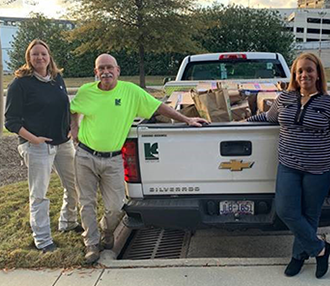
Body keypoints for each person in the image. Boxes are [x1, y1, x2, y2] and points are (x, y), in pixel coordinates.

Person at [70, 54, 208, 263]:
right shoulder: (85, 92)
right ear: (96, 72)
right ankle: (91, 243)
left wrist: (186, 119)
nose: (106, 72)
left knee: (116, 207)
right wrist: (74, 129)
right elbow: (73, 110)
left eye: (110, 67)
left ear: (118, 70)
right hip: (85, 156)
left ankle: (106, 230)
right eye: (101, 68)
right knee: (86, 202)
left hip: (114, 159)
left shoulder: (131, 92)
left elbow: (159, 107)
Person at [247, 52, 330, 279]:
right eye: (300, 71)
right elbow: (268, 118)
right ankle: (320, 249)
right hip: (289, 165)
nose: (304, 75)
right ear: (294, 74)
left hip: (320, 169)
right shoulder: (284, 98)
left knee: (310, 214)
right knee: (286, 210)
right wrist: (240, 123)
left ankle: (297, 257)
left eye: (309, 70)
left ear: (318, 74)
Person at [4, 39, 81, 253]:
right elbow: (11, 121)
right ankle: (43, 239)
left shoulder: (56, 78)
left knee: (73, 185)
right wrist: (33, 139)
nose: (40, 58)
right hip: (37, 146)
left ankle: (68, 222)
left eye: (43, 54)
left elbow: (65, 106)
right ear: (28, 58)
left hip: (63, 143)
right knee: (39, 194)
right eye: (35, 54)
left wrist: (69, 127)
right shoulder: (20, 84)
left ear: (49, 57)